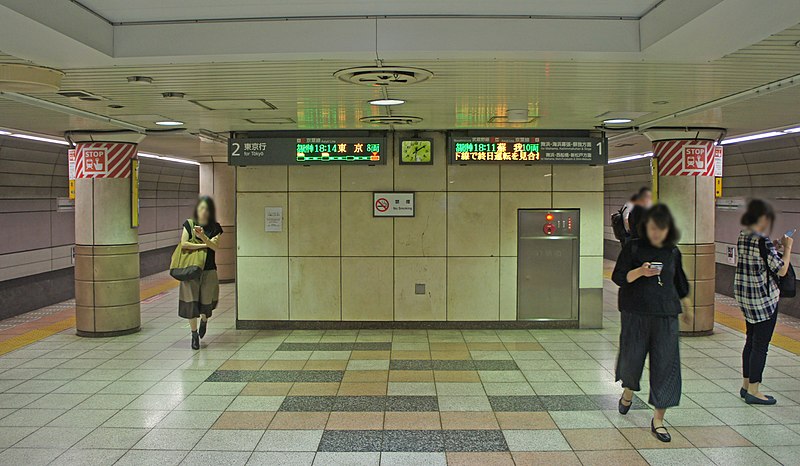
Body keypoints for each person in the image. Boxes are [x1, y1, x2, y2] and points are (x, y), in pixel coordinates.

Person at [612, 204, 689, 443]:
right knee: (632, 358)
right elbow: (619, 277)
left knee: (666, 365)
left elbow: (680, 284)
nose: (658, 232)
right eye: (653, 228)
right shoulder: (633, 248)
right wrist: (640, 272)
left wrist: (688, 310)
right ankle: (628, 391)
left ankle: (659, 420)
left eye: (662, 228)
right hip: (636, 313)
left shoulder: (672, 252)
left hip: (666, 316)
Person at [734, 199, 793, 405]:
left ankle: (745, 385)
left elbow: (759, 259)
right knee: (761, 345)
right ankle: (754, 390)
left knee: (750, 340)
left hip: (746, 298)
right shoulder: (762, 240)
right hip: (763, 300)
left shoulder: (743, 236)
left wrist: (773, 247)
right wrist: (787, 248)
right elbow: (782, 269)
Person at [178, 196, 223, 350]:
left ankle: (204, 320)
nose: (203, 211)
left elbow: (215, 247)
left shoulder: (216, 227)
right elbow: (184, 243)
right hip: (190, 270)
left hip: (209, 270)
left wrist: (202, 236)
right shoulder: (189, 224)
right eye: (201, 208)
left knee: (206, 302)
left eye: (206, 208)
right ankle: (194, 334)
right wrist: (204, 245)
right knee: (191, 303)